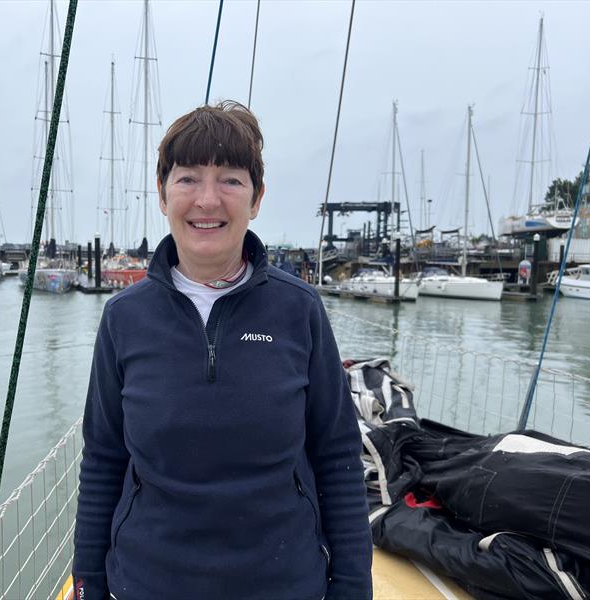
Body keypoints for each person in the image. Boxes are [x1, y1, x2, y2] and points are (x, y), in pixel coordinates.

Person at [73, 100, 372, 600]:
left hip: (284, 584)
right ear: (163, 194)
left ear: (256, 199)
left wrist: (351, 587)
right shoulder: (124, 318)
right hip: (146, 584)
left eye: (231, 179)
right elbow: (103, 458)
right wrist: (88, 585)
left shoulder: (299, 311)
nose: (207, 200)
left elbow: (337, 456)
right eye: (188, 178)